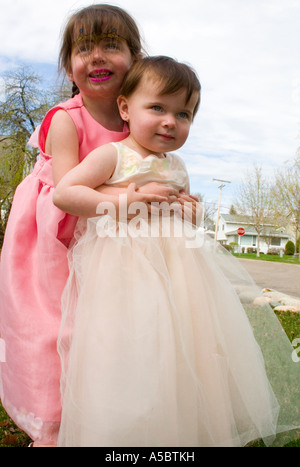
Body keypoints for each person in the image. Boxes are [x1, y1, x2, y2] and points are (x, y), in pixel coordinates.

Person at [53, 56, 300, 447]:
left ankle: (179, 430)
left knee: (183, 348)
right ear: (125, 109)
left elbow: (184, 214)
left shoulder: (178, 166)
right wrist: (130, 199)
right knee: (131, 346)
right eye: (157, 108)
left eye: (183, 114)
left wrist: (192, 212)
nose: (171, 121)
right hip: (124, 269)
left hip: (180, 274)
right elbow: (65, 193)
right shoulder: (113, 157)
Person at [0, 5, 176, 447]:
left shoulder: (137, 122)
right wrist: (134, 199)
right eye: (83, 48)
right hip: (53, 236)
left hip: (107, 239)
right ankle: (51, 426)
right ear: (68, 66)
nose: (96, 56)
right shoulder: (66, 118)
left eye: (111, 46)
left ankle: (106, 415)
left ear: (135, 59)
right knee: (55, 329)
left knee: (106, 331)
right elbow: (67, 191)